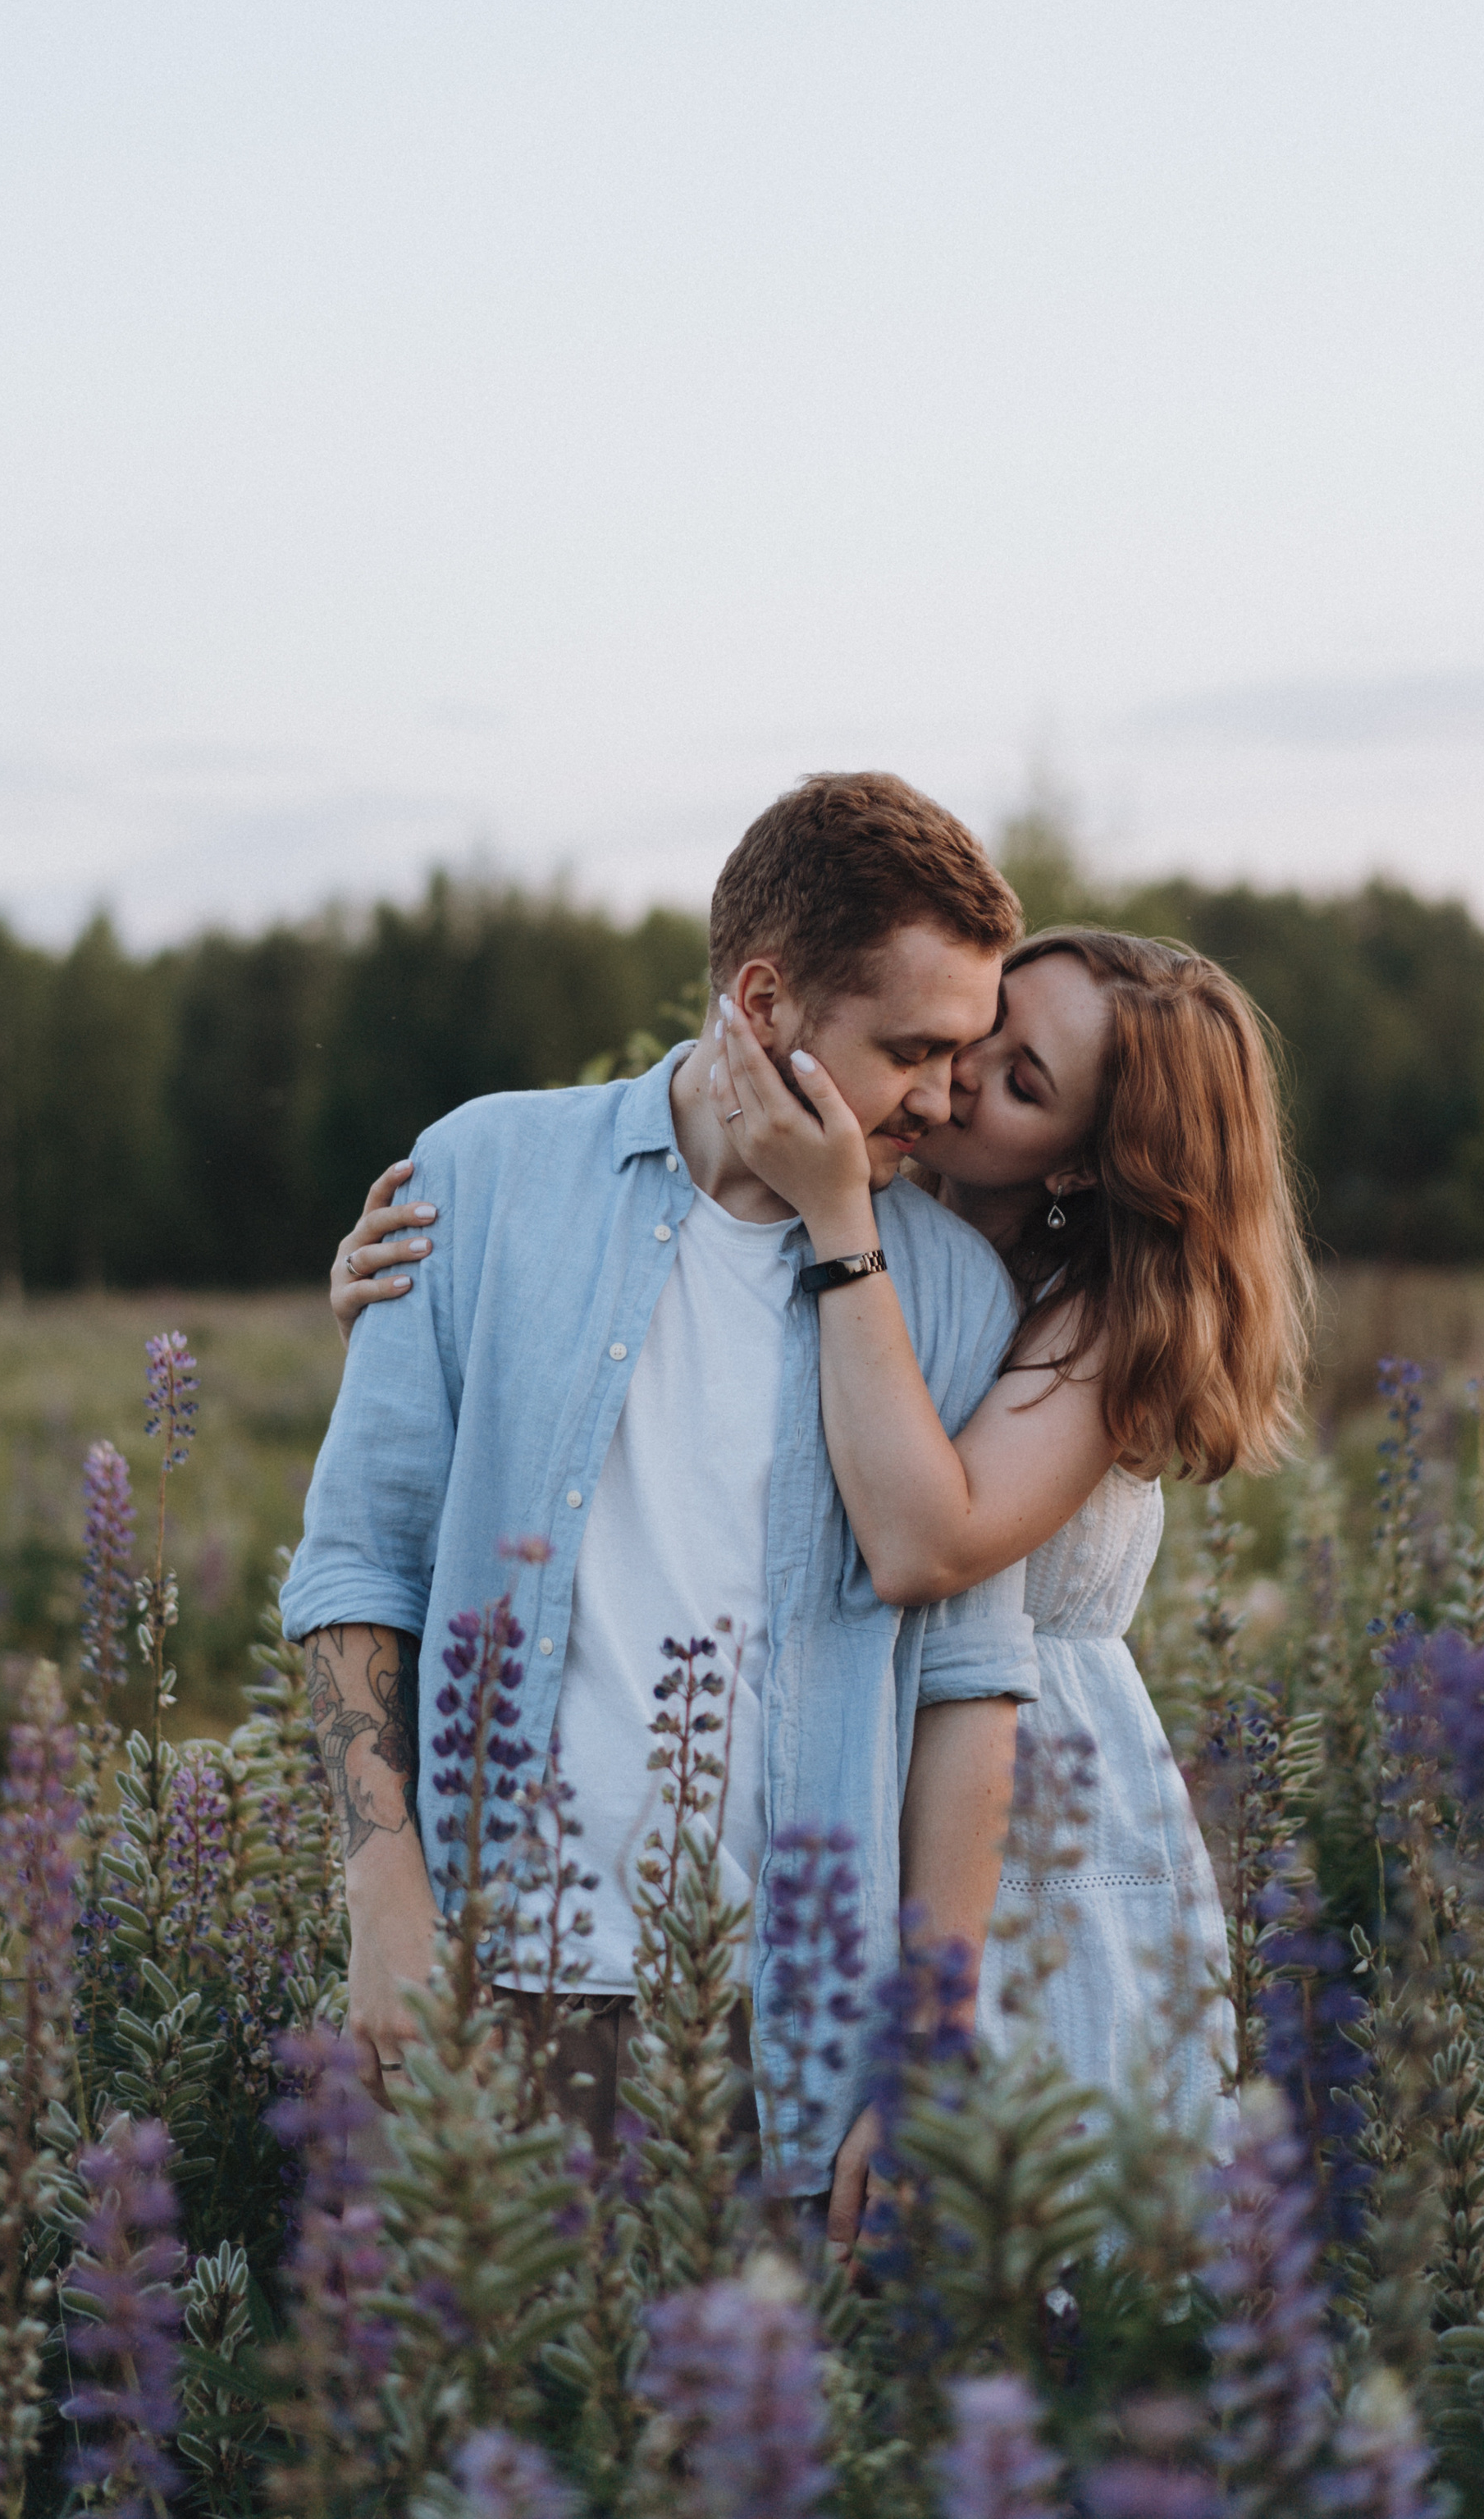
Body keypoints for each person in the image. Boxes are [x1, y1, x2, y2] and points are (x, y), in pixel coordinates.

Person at [336, 923, 1311, 2146]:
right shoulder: (889, 1236)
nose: (954, 1082)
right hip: (841, 1779)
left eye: (1018, 1085)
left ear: (1082, 1165)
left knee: (1004, 2252)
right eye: (969, 1034)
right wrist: (424, 1326)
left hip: (1015, 1822)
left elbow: (919, 1546)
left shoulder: (1093, 1319)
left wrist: (841, 1216)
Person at [281, 770, 1040, 2241]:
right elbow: (359, 1566)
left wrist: (923, 2043)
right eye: (914, 1051)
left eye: (970, 1055)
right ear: (764, 1000)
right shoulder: (481, 1176)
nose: (946, 1099)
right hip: (497, 1993)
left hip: (797, 2033)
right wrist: (386, 1905)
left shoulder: (946, 1292)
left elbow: (966, 1689)